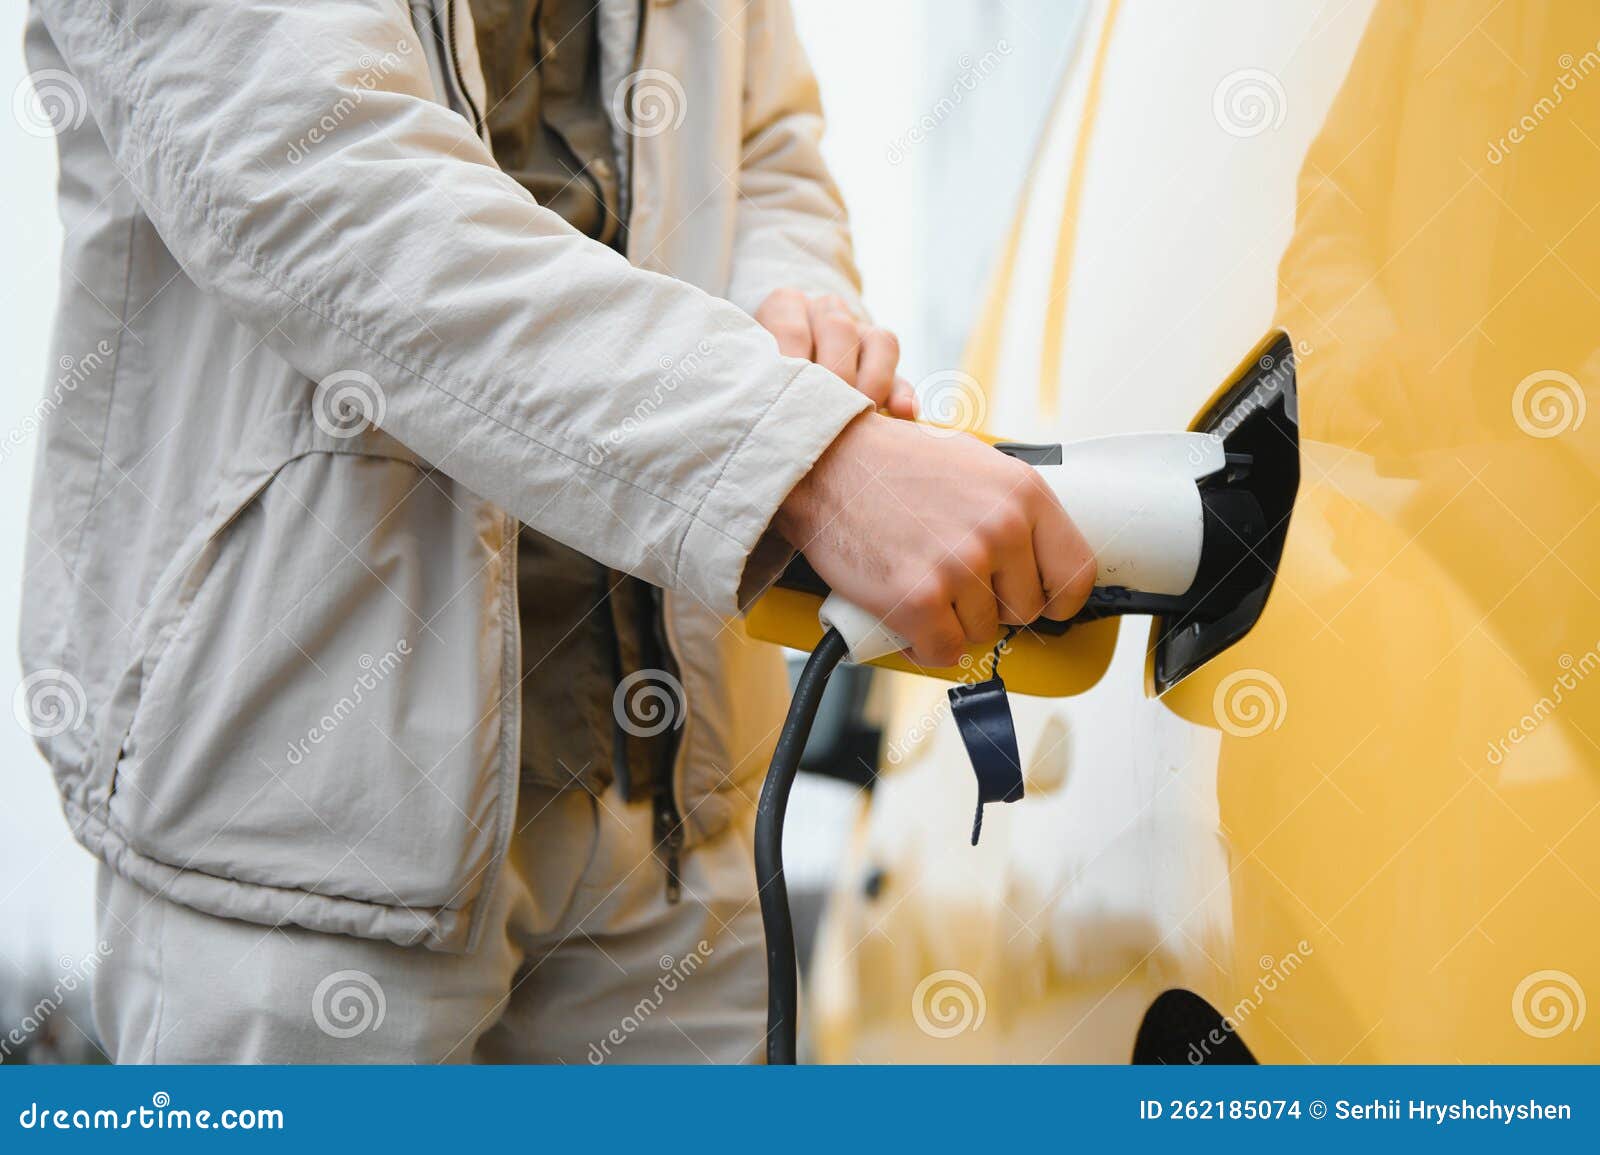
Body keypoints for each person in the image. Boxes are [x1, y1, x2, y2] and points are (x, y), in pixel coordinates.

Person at [19, 0, 1093, 1063]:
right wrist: (801, 460)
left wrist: (795, 306)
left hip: (673, 797)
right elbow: (332, 189)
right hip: (309, 817)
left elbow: (765, 142)